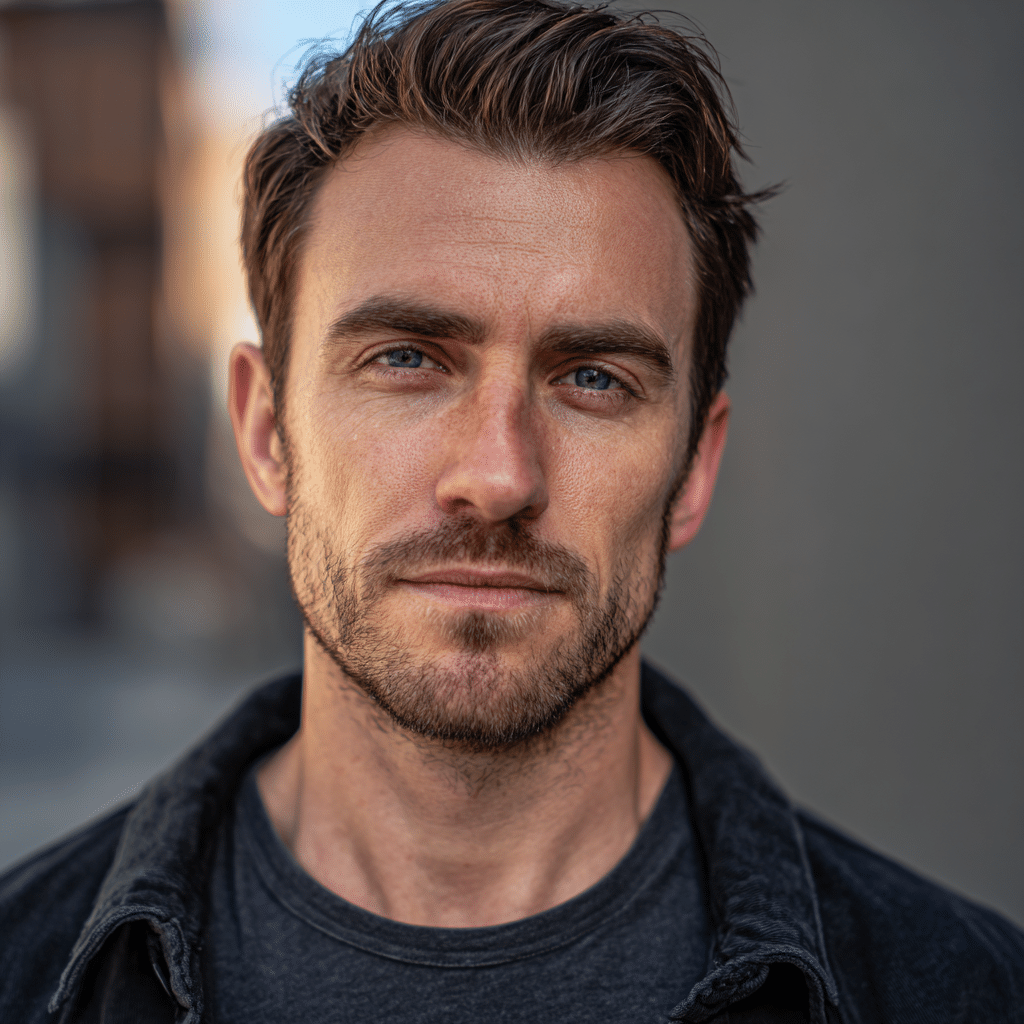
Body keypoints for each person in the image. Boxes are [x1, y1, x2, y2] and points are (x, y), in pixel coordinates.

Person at [2, 0, 1022, 1021]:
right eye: (405, 359)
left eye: (592, 378)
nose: (497, 478)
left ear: (693, 470)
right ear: (267, 432)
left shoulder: (967, 990)